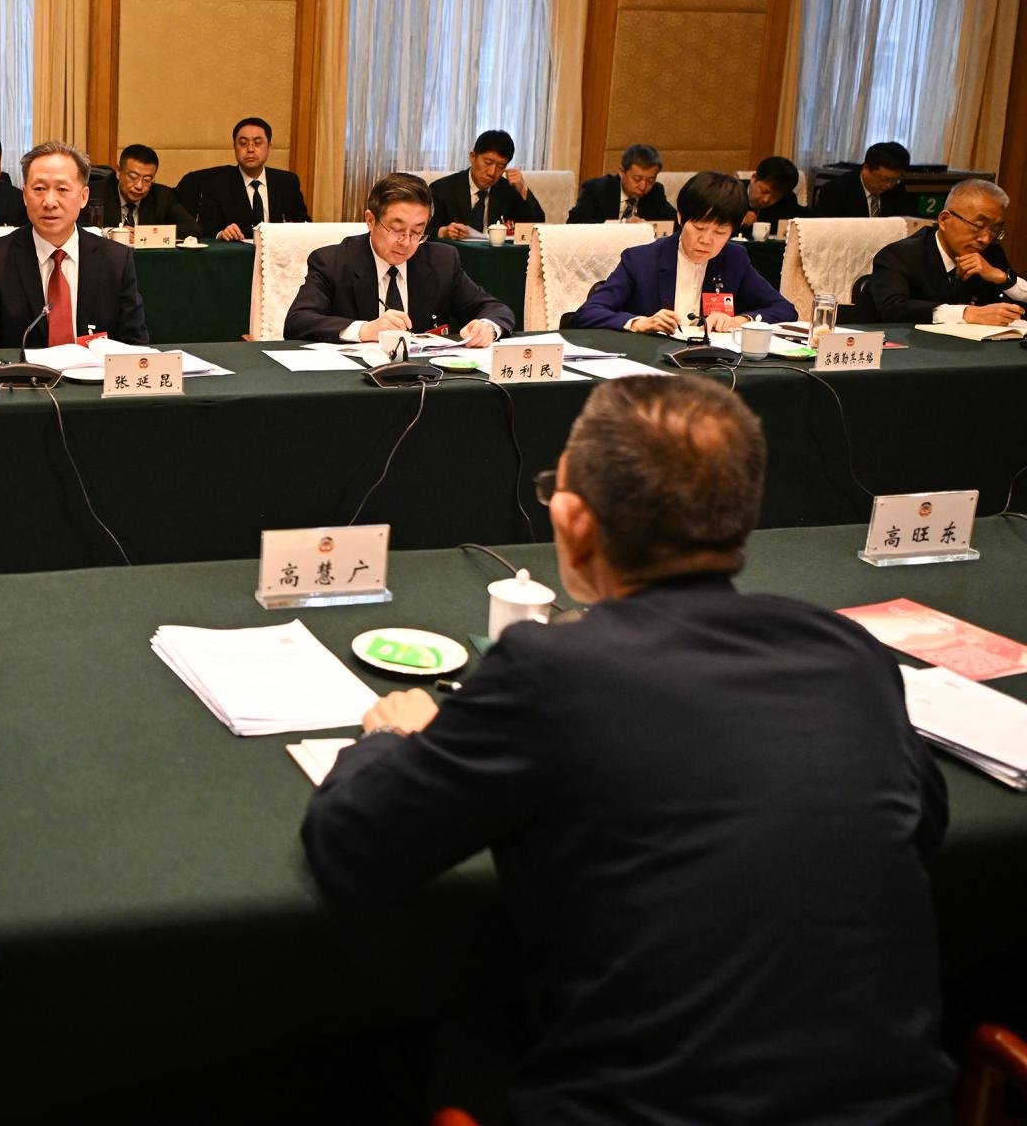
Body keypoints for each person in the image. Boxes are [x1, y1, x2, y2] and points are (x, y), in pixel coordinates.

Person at [302, 376, 952, 1125]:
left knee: (408, 1036)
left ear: (573, 521)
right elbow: (922, 824)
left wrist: (391, 738)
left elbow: (350, 846)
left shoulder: (550, 670)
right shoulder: (846, 652)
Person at [284, 172, 512, 347]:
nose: (406, 242)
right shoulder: (333, 261)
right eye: (397, 230)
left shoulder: (441, 261)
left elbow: (495, 309)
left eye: (417, 231)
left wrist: (487, 327)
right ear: (370, 220)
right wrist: (364, 330)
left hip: (425, 380)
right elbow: (297, 321)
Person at [0, 141, 148, 348]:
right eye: (39, 189)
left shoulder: (116, 260)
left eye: (62, 189)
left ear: (83, 197)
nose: (49, 202)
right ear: (24, 196)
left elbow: (135, 347)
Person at [572, 171, 796, 332]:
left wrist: (740, 320)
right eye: (699, 228)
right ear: (680, 217)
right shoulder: (641, 260)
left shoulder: (734, 258)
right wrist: (638, 323)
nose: (706, 240)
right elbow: (588, 312)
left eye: (720, 232)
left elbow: (784, 309)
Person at [864, 178, 1021, 325]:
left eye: (994, 229)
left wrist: (1002, 279)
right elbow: (892, 308)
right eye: (978, 226)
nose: (985, 239)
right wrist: (965, 313)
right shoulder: (900, 255)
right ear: (944, 220)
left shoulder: (992, 255)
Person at [189, 117, 310, 240]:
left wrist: (293, 228)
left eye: (257, 143)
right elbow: (205, 231)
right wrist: (221, 234)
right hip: (236, 251)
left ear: (269, 147)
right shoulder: (216, 186)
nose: (250, 149)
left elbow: (305, 224)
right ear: (234, 147)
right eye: (243, 143)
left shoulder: (287, 182)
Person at [426, 129, 547, 239]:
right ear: (472, 157)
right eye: (488, 163)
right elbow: (425, 231)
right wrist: (443, 232)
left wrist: (523, 190)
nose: (492, 172)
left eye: (501, 166)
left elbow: (537, 228)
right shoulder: (442, 189)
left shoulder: (508, 190)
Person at [87, 144, 195, 232]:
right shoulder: (95, 192)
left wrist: (146, 234)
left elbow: (193, 228)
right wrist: (109, 232)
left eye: (147, 179)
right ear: (119, 172)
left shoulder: (162, 196)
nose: (139, 186)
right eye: (133, 177)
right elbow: (79, 228)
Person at [814, 140, 918, 219]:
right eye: (885, 179)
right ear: (866, 169)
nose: (889, 185)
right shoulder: (836, 190)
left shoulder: (897, 189)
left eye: (896, 180)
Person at [568, 144, 671, 222]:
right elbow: (574, 223)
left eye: (650, 181)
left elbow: (675, 223)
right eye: (637, 179)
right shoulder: (596, 189)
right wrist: (622, 225)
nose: (643, 187)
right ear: (622, 172)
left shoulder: (656, 192)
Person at [746, 154, 803, 228]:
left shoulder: (787, 201)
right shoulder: (733, 192)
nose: (766, 200)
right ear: (753, 179)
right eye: (764, 191)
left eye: (775, 197)